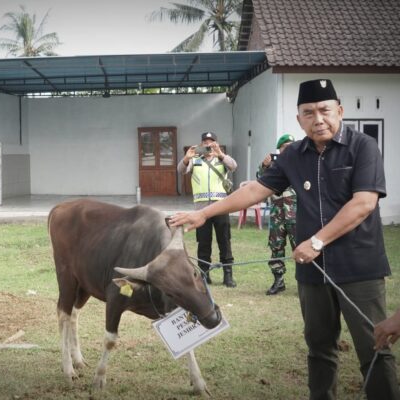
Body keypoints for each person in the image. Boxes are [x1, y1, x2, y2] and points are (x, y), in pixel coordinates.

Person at [170, 79, 399, 399]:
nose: (318, 119)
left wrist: (318, 241)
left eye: (325, 110)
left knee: (374, 348)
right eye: (309, 113)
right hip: (312, 272)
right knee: (319, 349)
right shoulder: (293, 155)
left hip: (359, 267)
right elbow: (254, 190)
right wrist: (205, 213)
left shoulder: (363, 147)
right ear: (299, 119)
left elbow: (363, 204)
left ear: (340, 111)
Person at [178, 131, 237, 287]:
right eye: (205, 142)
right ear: (201, 144)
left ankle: (228, 274)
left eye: (211, 142)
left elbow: (234, 166)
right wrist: (186, 158)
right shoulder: (195, 160)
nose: (207, 144)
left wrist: (221, 154)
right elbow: (181, 170)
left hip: (221, 206)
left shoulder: (222, 159)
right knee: (203, 242)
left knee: (224, 240)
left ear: (216, 143)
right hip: (201, 208)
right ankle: (204, 274)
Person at [256, 134, 297, 295]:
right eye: (284, 146)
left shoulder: (302, 163)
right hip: (277, 213)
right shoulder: (274, 166)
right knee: (276, 247)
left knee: (300, 247)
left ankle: (306, 283)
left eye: (291, 146)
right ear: (279, 149)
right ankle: (278, 281)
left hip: (296, 213)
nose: (288, 149)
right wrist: (265, 166)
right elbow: (260, 182)